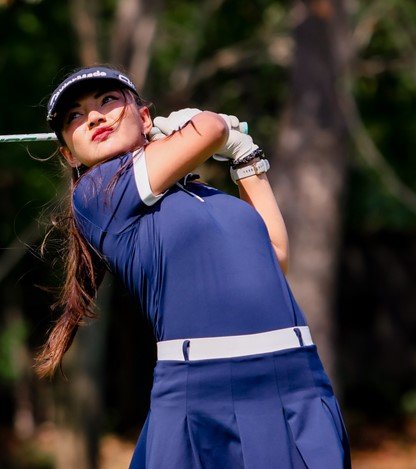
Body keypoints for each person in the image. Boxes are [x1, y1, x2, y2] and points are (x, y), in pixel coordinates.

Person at [34, 64, 351, 468]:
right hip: (206, 391)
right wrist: (207, 126)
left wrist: (246, 158)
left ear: (144, 118)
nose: (94, 117)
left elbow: (274, 256)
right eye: (75, 117)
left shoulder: (207, 196)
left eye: (107, 100)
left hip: (297, 380)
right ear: (68, 153)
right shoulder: (96, 193)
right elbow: (212, 129)